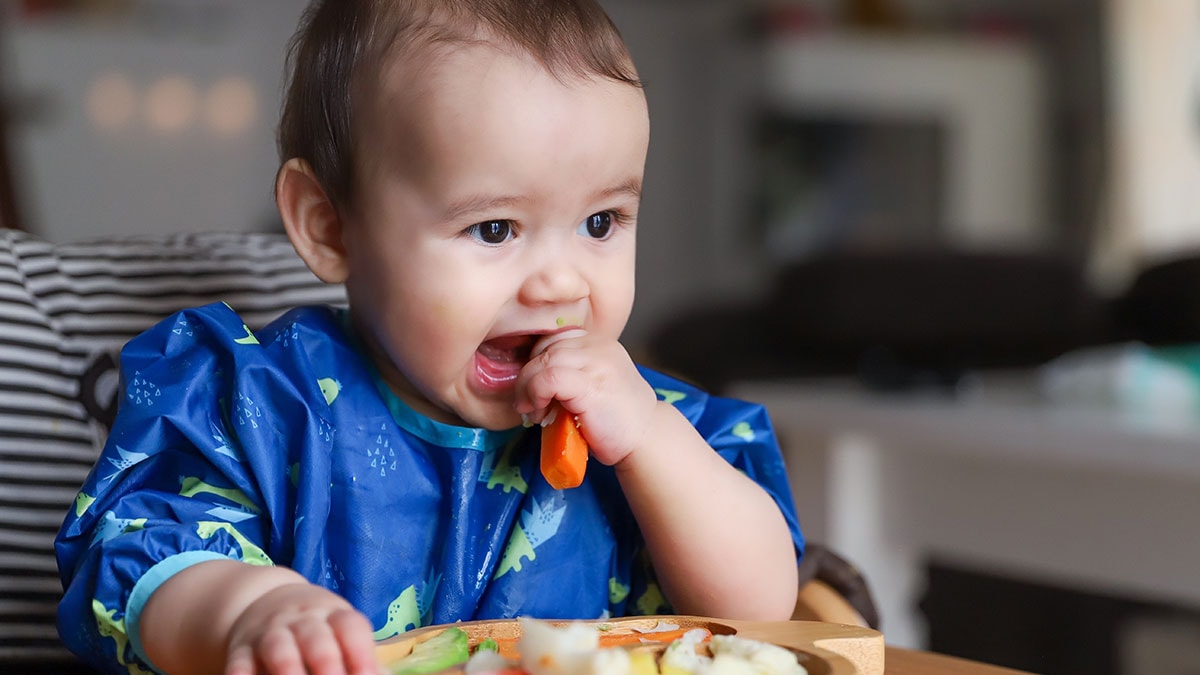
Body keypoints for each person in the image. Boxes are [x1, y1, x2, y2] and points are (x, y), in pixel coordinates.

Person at [55, 1, 805, 673]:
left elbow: (764, 608)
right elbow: (141, 559)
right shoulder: (258, 406)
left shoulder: (647, 428)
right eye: (493, 227)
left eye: (600, 223)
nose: (562, 283)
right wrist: (247, 612)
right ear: (329, 226)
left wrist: (650, 441)